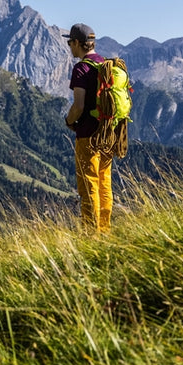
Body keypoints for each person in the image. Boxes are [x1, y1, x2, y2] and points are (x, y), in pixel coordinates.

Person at [64, 23, 113, 231]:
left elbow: (79, 105)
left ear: (77, 43)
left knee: (88, 184)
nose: (69, 47)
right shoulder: (105, 64)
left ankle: (91, 233)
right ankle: (104, 228)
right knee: (104, 184)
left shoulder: (82, 68)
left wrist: (69, 121)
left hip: (88, 136)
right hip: (108, 134)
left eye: (70, 42)